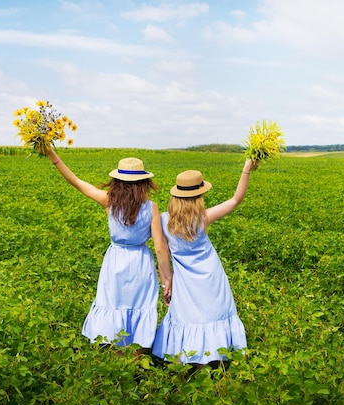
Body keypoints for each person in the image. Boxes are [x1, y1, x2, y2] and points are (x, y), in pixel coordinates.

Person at [45, 147, 172, 349]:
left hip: (116, 260)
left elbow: (76, 182)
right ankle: (137, 354)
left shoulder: (108, 201)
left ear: (117, 181)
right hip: (140, 261)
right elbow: (160, 247)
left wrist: (52, 155)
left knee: (114, 302)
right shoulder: (151, 207)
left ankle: (115, 353)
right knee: (139, 306)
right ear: (144, 183)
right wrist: (167, 279)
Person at [152, 159, 258, 366]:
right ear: (199, 196)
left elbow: (160, 250)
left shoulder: (163, 220)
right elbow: (236, 200)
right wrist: (246, 170)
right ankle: (215, 356)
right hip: (211, 275)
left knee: (188, 316)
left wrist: (167, 281)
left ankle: (188, 358)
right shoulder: (203, 217)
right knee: (214, 313)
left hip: (184, 279)